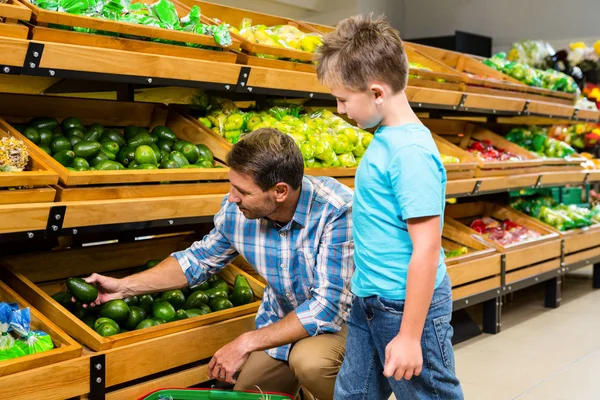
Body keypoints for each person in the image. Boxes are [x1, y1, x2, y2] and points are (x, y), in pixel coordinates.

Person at [80, 128, 354, 399]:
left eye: (243, 191)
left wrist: (246, 342)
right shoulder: (238, 208)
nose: (232, 197)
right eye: (232, 185)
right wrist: (124, 287)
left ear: (280, 191)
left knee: (310, 363)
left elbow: (326, 309)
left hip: (344, 324)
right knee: (251, 395)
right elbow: (199, 260)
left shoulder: (337, 211)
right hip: (281, 320)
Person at [315, 14, 464, 399]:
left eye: (344, 99)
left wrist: (411, 335)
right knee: (353, 394)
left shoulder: (410, 153)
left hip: (405, 307)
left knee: (428, 393)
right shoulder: (385, 138)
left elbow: (427, 247)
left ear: (378, 93)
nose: (341, 109)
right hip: (370, 298)